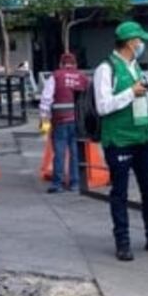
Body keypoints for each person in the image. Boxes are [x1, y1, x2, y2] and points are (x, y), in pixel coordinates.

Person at [94, 21, 148, 262]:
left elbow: (146, 97)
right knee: (120, 193)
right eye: (139, 41)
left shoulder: (135, 67)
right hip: (119, 139)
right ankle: (122, 242)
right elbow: (103, 106)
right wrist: (131, 92)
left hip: (142, 137)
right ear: (130, 43)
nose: (142, 45)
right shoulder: (106, 69)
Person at [39, 52, 88, 193]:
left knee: (59, 152)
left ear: (61, 64)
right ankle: (75, 183)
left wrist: (44, 124)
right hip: (78, 122)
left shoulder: (56, 76)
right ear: (75, 64)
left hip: (60, 121)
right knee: (75, 152)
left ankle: (58, 184)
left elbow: (45, 101)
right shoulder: (82, 78)